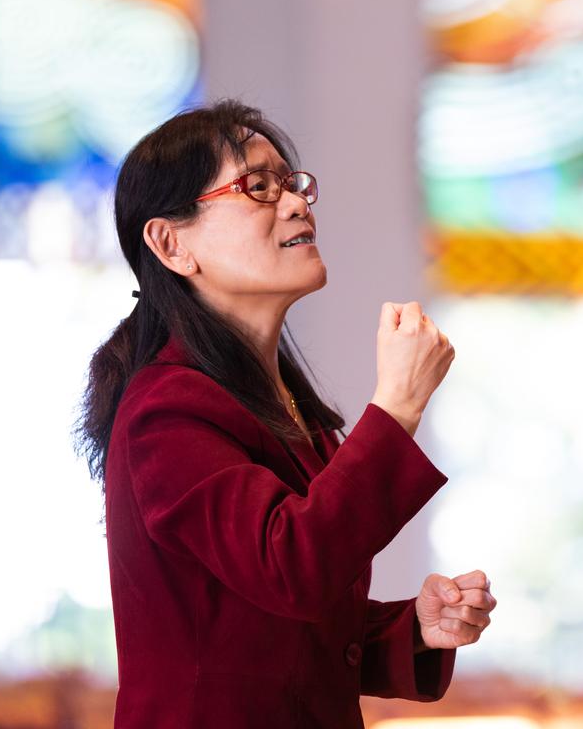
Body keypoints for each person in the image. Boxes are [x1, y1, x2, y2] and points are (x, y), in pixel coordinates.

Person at [75, 99, 496, 727]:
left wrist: (413, 628)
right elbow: (292, 567)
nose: (298, 203)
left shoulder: (289, 407)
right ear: (170, 243)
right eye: (258, 187)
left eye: (291, 183)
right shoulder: (164, 412)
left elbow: (284, 637)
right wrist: (398, 405)